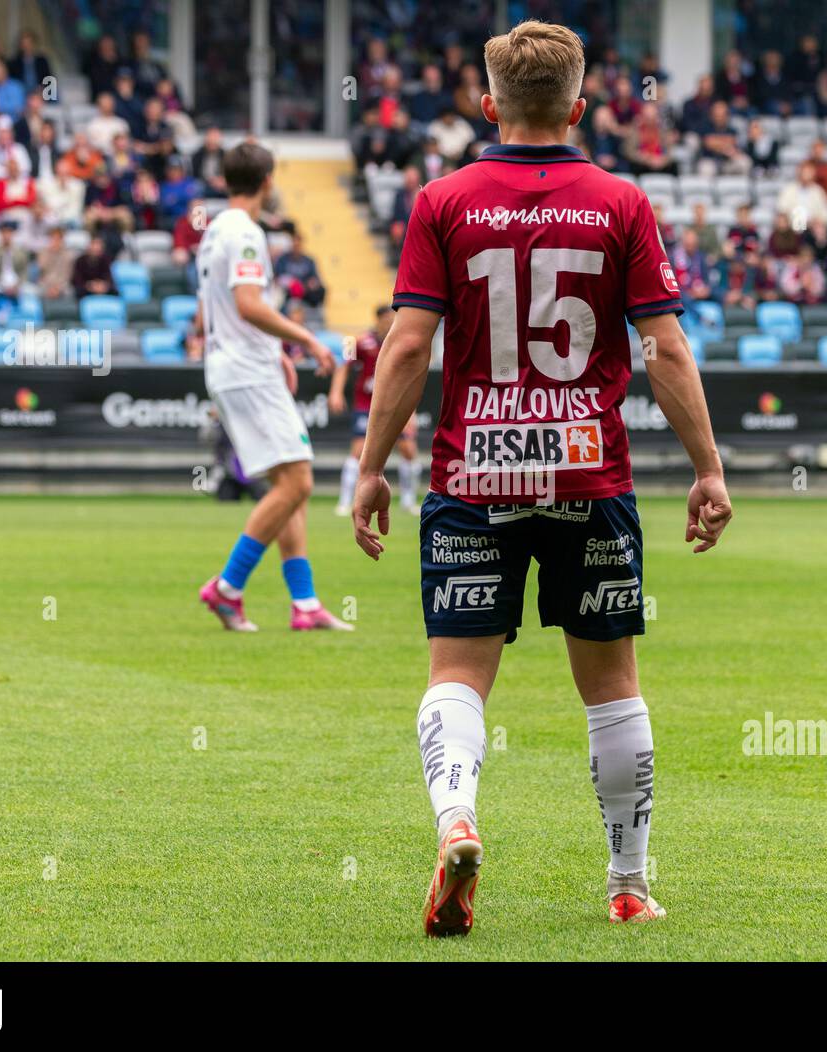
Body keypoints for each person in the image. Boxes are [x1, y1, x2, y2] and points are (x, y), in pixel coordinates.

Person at [350, 20, 732, 937]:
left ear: (488, 106)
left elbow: (408, 344)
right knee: (612, 687)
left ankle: (458, 822)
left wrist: (369, 469)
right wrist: (708, 468)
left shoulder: (441, 200)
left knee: (457, 674)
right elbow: (665, 348)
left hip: (473, 474)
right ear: (579, 107)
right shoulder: (620, 202)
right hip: (588, 474)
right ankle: (629, 883)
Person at [193, 142, 349, 633]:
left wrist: (274, 349)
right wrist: (305, 338)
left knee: (288, 485)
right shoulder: (246, 232)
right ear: (267, 181)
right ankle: (226, 587)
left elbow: (219, 309)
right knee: (299, 482)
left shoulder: (215, 228)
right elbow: (247, 304)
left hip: (237, 362)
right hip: (245, 369)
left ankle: (304, 604)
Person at [330, 305, 420, 516]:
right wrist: (335, 392)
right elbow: (343, 364)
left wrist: (411, 412)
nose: (390, 322)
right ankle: (344, 501)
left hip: (395, 406)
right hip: (366, 406)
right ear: (378, 320)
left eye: (393, 318)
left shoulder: (401, 342)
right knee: (358, 450)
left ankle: (409, 501)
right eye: (387, 318)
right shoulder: (359, 341)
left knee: (408, 449)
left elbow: (409, 379)